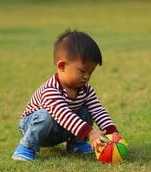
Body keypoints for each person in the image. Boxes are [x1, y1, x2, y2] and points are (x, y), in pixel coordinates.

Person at [12, 30, 119, 161]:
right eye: (82, 71)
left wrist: (112, 133)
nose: (87, 76)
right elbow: (63, 115)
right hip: (36, 128)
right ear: (62, 66)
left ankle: (77, 144)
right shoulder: (51, 90)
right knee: (45, 116)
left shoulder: (86, 90)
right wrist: (90, 133)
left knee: (88, 108)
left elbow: (98, 110)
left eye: (90, 72)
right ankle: (26, 146)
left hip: (63, 129)